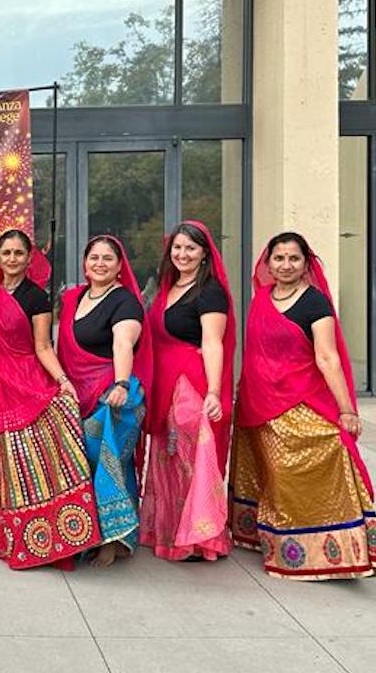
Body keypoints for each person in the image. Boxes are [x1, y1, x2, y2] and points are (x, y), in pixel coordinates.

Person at [230, 232, 376, 580]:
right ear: (268, 262)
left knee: (314, 460)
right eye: (279, 258)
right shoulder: (261, 298)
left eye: (294, 258)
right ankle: (271, 539)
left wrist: (347, 409)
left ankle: (317, 552)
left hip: (298, 400)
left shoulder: (315, 303)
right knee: (272, 476)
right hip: (257, 404)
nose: (286, 265)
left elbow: (327, 356)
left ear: (306, 263)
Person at [0, 230, 102, 568]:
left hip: (25, 382)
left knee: (26, 462)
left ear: (29, 259)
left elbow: (43, 346)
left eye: (18, 253)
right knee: (0, 464)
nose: (12, 259)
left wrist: (63, 381)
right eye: (6, 253)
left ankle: (45, 538)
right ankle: (4, 538)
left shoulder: (36, 298)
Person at [140, 221, 234, 562]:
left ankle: (200, 537)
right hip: (165, 383)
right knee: (168, 456)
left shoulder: (210, 291)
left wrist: (212, 391)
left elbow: (213, 342)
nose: (183, 254)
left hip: (191, 384)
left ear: (204, 253)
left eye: (190, 248)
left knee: (194, 458)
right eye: (177, 248)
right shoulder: (167, 288)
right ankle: (170, 531)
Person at [56, 235, 152, 569]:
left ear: (119, 264)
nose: (100, 263)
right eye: (94, 257)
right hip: (78, 394)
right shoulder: (74, 298)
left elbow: (123, 344)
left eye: (108, 258)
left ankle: (116, 539)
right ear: (85, 262)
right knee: (84, 465)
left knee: (107, 462)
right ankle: (88, 533)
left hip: (114, 396)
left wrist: (121, 384)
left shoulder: (124, 301)